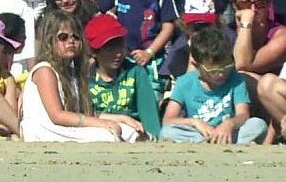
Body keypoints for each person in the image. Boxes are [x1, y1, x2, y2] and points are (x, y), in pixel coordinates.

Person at [19, 9, 138, 142]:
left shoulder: (72, 72)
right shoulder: (45, 71)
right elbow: (57, 116)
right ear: (49, 41)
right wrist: (102, 124)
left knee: (130, 132)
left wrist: (122, 118)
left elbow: (84, 114)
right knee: (108, 135)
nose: (71, 41)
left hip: (68, 128)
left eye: (75, 37)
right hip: (47, 131)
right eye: (63, 37)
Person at [162, 27, 269, 144]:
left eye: (226, 67)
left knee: (258, 124)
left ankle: (215, 142)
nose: (221, 73)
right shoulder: (184, 82)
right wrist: (195, 122)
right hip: (198, 132)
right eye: (213, 70)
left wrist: (229, 124)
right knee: (167, 131)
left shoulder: (236, 79)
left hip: (228, 132)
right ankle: (206, 142)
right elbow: (168, 120)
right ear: (197, 66)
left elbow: (243, 114)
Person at [87, 13, 160, 140]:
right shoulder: (86, 78)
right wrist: (120, 119)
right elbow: (82, 115)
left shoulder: (136, 72)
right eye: (110, 49)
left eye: (120, 45)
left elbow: (149, 116)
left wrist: (153, 137)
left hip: (135, 132)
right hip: (98, 131)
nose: (118, 54)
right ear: (94, 52)